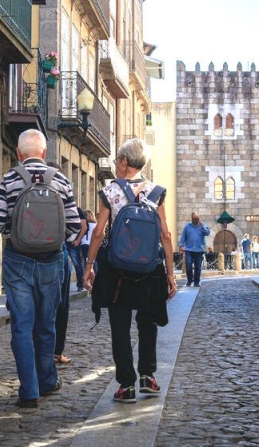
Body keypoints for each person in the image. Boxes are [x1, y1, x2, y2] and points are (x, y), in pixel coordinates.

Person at [0, 130, 80, 408]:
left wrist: (17, 233)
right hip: (52, 262)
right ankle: (47, 381)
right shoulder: (62, 180)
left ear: (18, 153)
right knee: (46, 324)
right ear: (44, 153)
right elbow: (75, 226)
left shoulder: (10, 178)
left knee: (22, 325)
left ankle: (28, 391)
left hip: (18, 260)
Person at [84, 138, 177, 404]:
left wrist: (89, 266)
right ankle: (148, 376)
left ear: (125, 162)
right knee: (147, 323)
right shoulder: (157, 191)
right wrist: (170, 273)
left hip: (117, 270)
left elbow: (99, 233)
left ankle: (127, 384)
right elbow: (165, 234)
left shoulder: (110, 192)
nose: (116, 164)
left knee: (120, 327)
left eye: (117, 160)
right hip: (150, 269)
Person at [53, 165, 87, 367]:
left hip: (25, 253)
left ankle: (35, 352)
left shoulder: (19, 181)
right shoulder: (63, 186)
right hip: (58, 251)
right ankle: (57, 352)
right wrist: (61, 239)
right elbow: (75, 224)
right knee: (61, 305)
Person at [179, 212, 210, 287]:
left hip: (199, 250)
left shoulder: (202, 225)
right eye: (194, 219)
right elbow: (183, 236)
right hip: (189, 249)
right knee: (188, 265)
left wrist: (202, 226)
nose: (195, 220)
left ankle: (196, 282)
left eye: (197, 219)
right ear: (191, 218)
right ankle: (189, 280)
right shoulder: (187, 226)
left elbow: (207, 233)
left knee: (198, 267)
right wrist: (181, 246)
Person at [81, 210, 96, 275]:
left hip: (84, 244)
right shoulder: (96, 225)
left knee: (85, 261)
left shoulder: (83, 225)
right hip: (93, 245)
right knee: (93, 261)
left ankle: (85, 275)